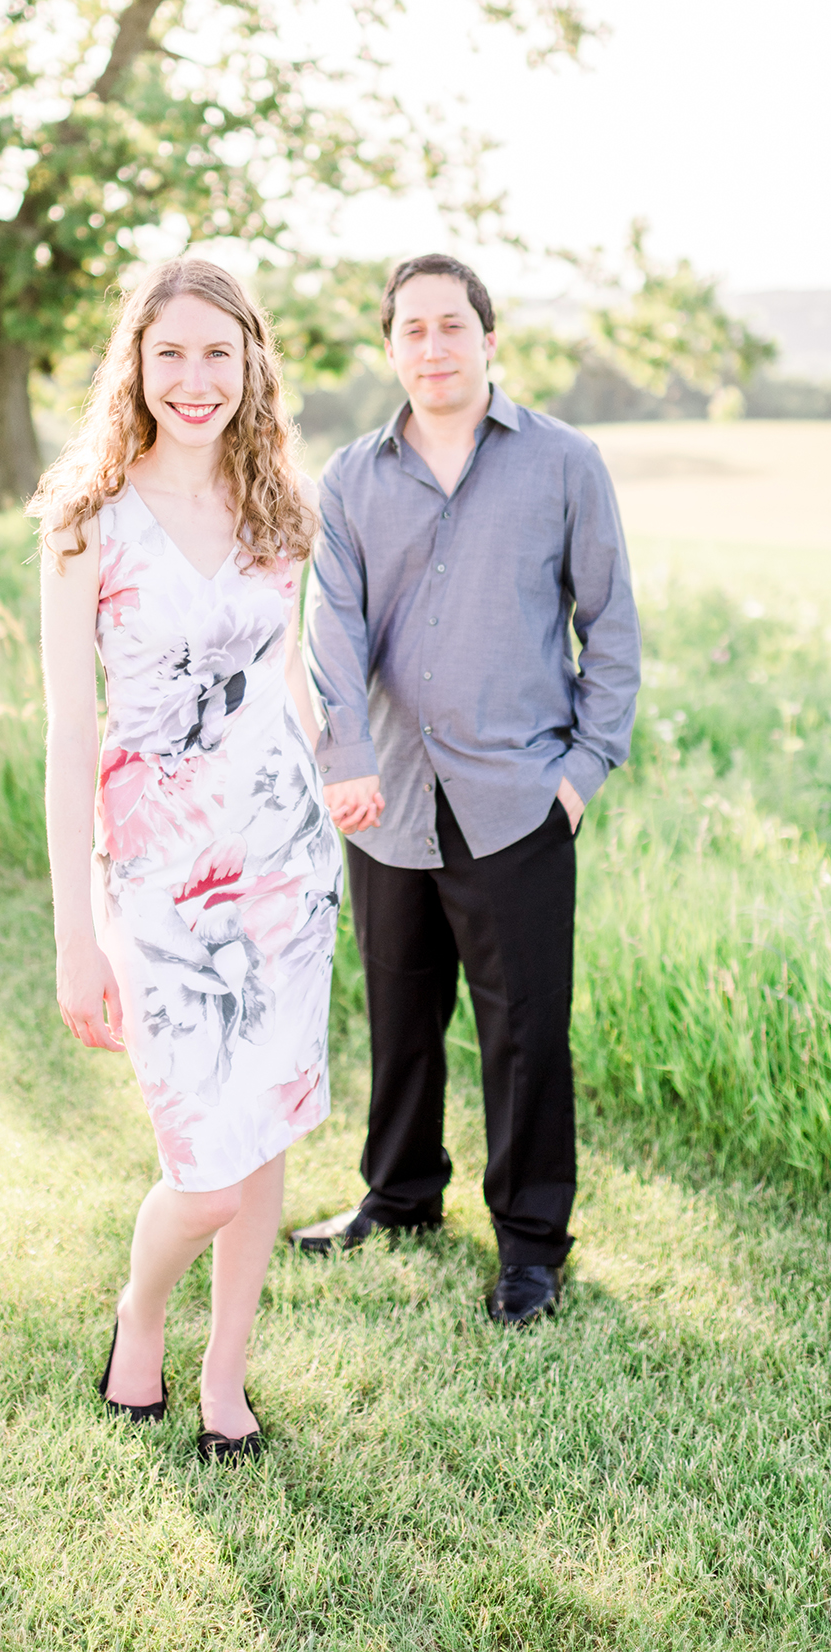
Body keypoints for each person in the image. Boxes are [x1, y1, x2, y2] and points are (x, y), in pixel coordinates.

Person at [30, 257, 340, 1461]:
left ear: (252, 358)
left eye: (219, 353)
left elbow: (286, 683)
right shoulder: (84, 518)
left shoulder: (280, 509)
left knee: (259, 1134)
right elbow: (68, 731)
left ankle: (225, 1376)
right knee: (202, 1166)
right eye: (172, 354)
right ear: (137, 364)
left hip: (283, 865)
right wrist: (76, 931)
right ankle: (137, 1316)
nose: (196, 378)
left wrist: (334, 786)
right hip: (155, 876)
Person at [295, 253, 641, 1324]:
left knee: (526, 1033)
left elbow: (613, 631)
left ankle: (531, 1245)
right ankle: (397, 1198)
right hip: (388, 796)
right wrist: (342, 751)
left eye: (453, 327)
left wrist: (581, 774)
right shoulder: (351, 477)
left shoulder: (564, 464)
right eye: (413, 330)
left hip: (518, 799)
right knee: (399, 1017)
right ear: (390, 347)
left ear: (488, 339)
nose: (433, 348)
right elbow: (332, 627)